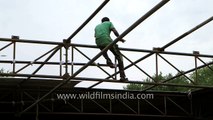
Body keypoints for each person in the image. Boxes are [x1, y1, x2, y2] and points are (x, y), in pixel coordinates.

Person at [94, 17, 128, 82]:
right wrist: (119, 38)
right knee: (119, 56)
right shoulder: (109, 23)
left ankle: (108, 60)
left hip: (98, 41)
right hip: (106, 40)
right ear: (108, 20)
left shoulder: (97, 26)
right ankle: (122, 77)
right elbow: (114, 31)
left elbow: (96, 36)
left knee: (103, 50)